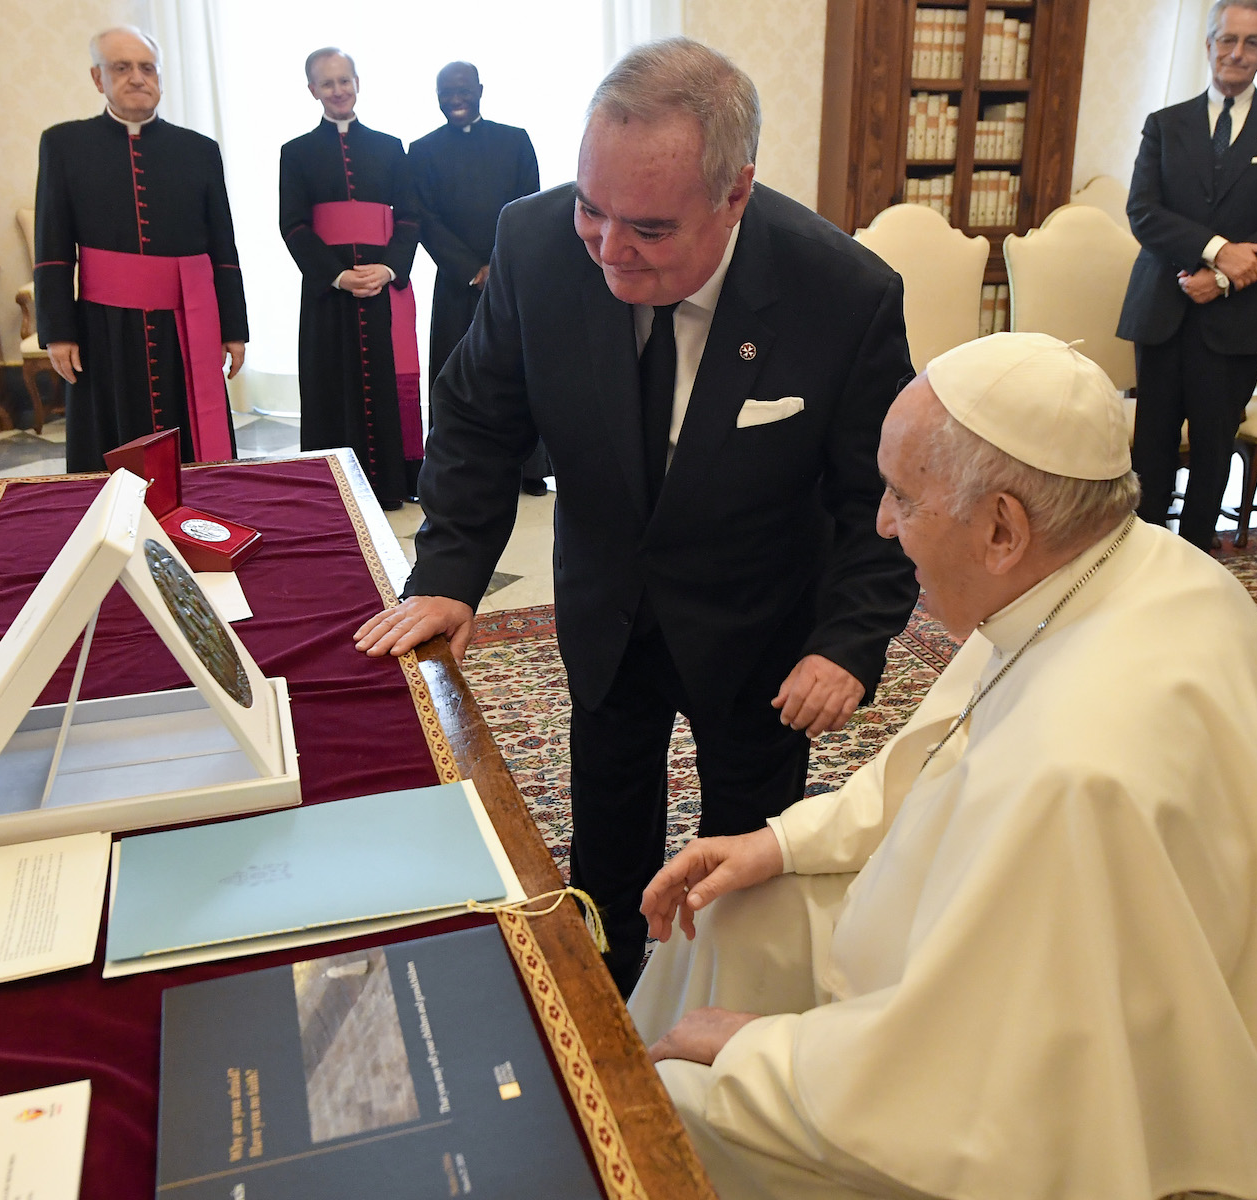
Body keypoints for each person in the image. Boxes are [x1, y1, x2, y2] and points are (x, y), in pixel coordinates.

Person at [630, 333, 1257, 1200]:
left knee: (681, 1101)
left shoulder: (1079, 766)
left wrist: (758, 1052)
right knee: (734, 910)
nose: (880, 523)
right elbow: (944, 753)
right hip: (1051, 979)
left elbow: (980, 1076)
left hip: (1139, 1105)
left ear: (1001, 528)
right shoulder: (1119, 569)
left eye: (902, 498)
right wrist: (783, 843)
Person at [355, 39, 918, 995]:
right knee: (609, 817)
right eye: (591, 208)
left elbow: (882, 496)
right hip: (607, 599)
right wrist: (451, 571)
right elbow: (478, 419)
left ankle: (723, 1011)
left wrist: (849, 643)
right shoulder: (535, 245)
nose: (609, 249)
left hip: (758, 625)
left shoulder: (842, 294)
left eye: (650, 229)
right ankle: (609, 996)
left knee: (741, 850)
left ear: (735, 193)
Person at [1117, 0, 1257, 550]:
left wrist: (1226, 277)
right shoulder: (1164, 124)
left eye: (1252, 42)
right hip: (1163, 307)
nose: (1236, 52)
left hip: (1237, 315)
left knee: (1212, 446)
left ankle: (1197, 556)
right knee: (1152, 447)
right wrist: (1217, 251)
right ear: (1208, 44)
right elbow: (1143, 212)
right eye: (1227, 39)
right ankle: (1142, 554)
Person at [34, 26, 248, 474]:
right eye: (121, 67)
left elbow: (223, 247)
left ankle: (199, 518)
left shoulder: (199, 150)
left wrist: (234, 327)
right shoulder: (64, 145)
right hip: (103, 324)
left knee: (192, 439)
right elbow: (52, 246)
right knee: (110, 435)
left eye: (146, 68)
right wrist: (58, 330)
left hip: (185, 323)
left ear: (160, 78)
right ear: (98, 79)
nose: (136, 78)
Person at [280, 48, 422, 510]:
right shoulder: (296, 153)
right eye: (327, 83)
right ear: (311, 91)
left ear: (358, 82)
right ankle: (331, 487)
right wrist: (338, 276)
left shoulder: (389, 147)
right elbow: (294, 225)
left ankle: (390, 485)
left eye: (345, 80)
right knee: (330, 385)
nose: (338, 90)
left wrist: (389, 267)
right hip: (329, 293)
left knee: (384, 384)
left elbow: (409, 218)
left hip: (383, 290)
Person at [407, 62, 550, 496]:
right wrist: (471, 269)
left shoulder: (515, 140)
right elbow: (425, 219)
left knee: (519, 370)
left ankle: (528, 468)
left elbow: (531, 205)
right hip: (456, 282)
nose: (455, 99)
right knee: (455, 376)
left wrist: (500, 264)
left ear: (480, 90)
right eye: (446, 92)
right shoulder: (423, 150)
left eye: (463, 90)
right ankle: (457, 466)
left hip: (510, 278)